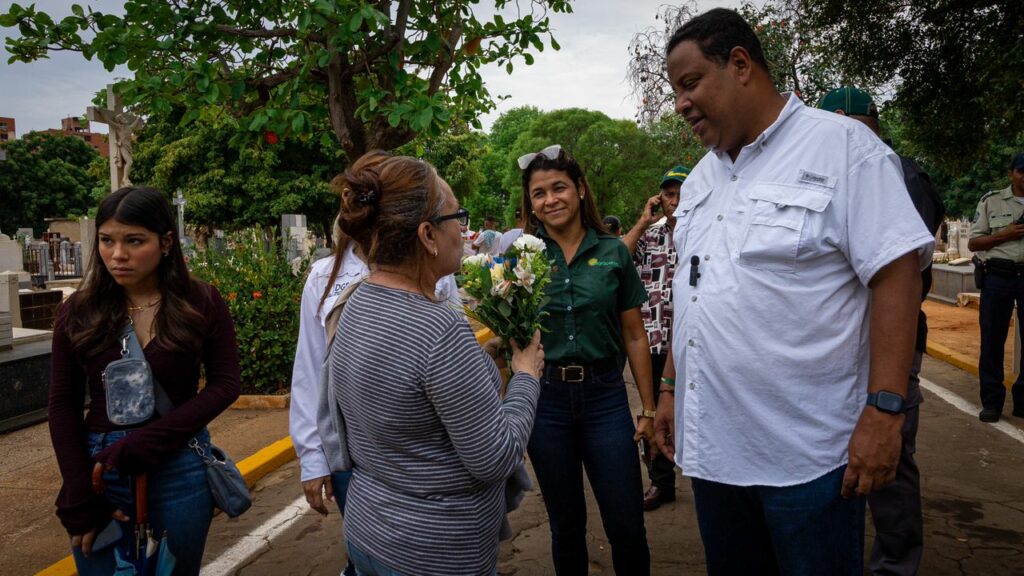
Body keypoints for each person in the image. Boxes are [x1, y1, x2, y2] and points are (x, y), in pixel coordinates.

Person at [654, 9, 935, 575]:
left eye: (690, 83)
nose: (681, 104)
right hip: (714, 453)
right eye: (675, 91)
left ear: (740, 65)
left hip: (809, 460)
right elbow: (696, 292)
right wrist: (670, 388)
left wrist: (885, 411)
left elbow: (896, 276)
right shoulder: (702, 178)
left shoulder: (844, 148)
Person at [327, 153, 544, 576]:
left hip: (368, 532)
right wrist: (526, 375)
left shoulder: (356, 301)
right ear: (428, 235)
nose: (463, 229)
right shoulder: (439, 327)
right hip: (434, 552)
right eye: (457, 217)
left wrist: (478, 364)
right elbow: (496, 458)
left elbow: (406, 401)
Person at [49, 186, 241, 575]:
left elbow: (225, 383)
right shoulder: (78, 311)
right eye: (107, 240)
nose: (117, 254)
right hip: (101, 469)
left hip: (180, 466)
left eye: (134, 241)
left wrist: (151, 440)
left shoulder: (201, 302)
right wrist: (79, 491)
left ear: (166, 242)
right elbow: (62, 403)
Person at [289, 153, 462, 575]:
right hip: (353, 456)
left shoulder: (435, 266)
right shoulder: (324, 277)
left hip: (423, 454)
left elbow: (453, 350)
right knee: (372, 547)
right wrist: (313, 458)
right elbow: (310, 372)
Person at [821, 86, 945, 576]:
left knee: (889, 456)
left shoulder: (896, 173)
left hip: (888, 340)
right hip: (844, 340)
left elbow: (903, 273)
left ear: (848, 119)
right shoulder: (843, 170)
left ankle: (895, 563)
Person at [518, 144, 655, 575]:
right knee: (566, 527)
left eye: (559, 188)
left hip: (605, 400)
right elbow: (514, 338)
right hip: (547, 403)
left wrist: (648, 409)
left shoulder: (614, 252)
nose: (550, 199)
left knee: (627, 526)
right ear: (531, 205)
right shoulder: (521, 259)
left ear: (579, 189)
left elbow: (634, 335)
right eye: (539, 193)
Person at [623, 164, 690, 511]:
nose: (674, 200)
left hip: (691, 342)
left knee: (692, 409)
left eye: (680, 193)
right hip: (652, 339)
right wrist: (642, 222)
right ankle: (661, 482)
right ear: (659, 198)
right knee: (651, 410)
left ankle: (706, 476)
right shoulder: (650, 236)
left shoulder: (703, 232)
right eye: (668, 194)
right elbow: (618, 257)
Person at [968, 152, 1024, 422]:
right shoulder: (991, 201)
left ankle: (1023, 401)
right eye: (1022, 171)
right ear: (1011, 173)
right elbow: (974, 243)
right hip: (998, 278)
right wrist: (1005, 234)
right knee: (992, 341)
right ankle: (991, 402)